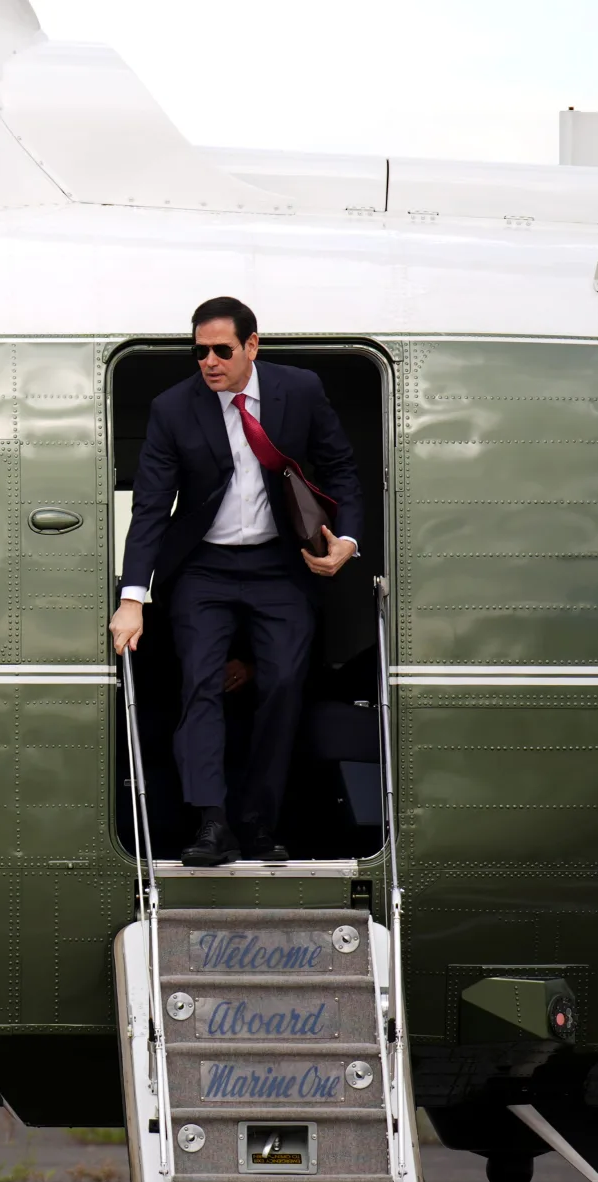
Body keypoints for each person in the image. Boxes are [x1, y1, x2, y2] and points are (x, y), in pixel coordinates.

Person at [109, 298, 363, 866]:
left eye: (222, 350)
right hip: (204, 566)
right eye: (200, 352)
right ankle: (211, 822)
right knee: (198, 684)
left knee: (282, 688)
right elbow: (150, 507)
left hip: (281, 564)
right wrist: (133, 598)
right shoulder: (173, 408)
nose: (209, 362)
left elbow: (343, 469)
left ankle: (259, 823)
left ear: (253, 345)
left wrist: (347, 541)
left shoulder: (299, 391)